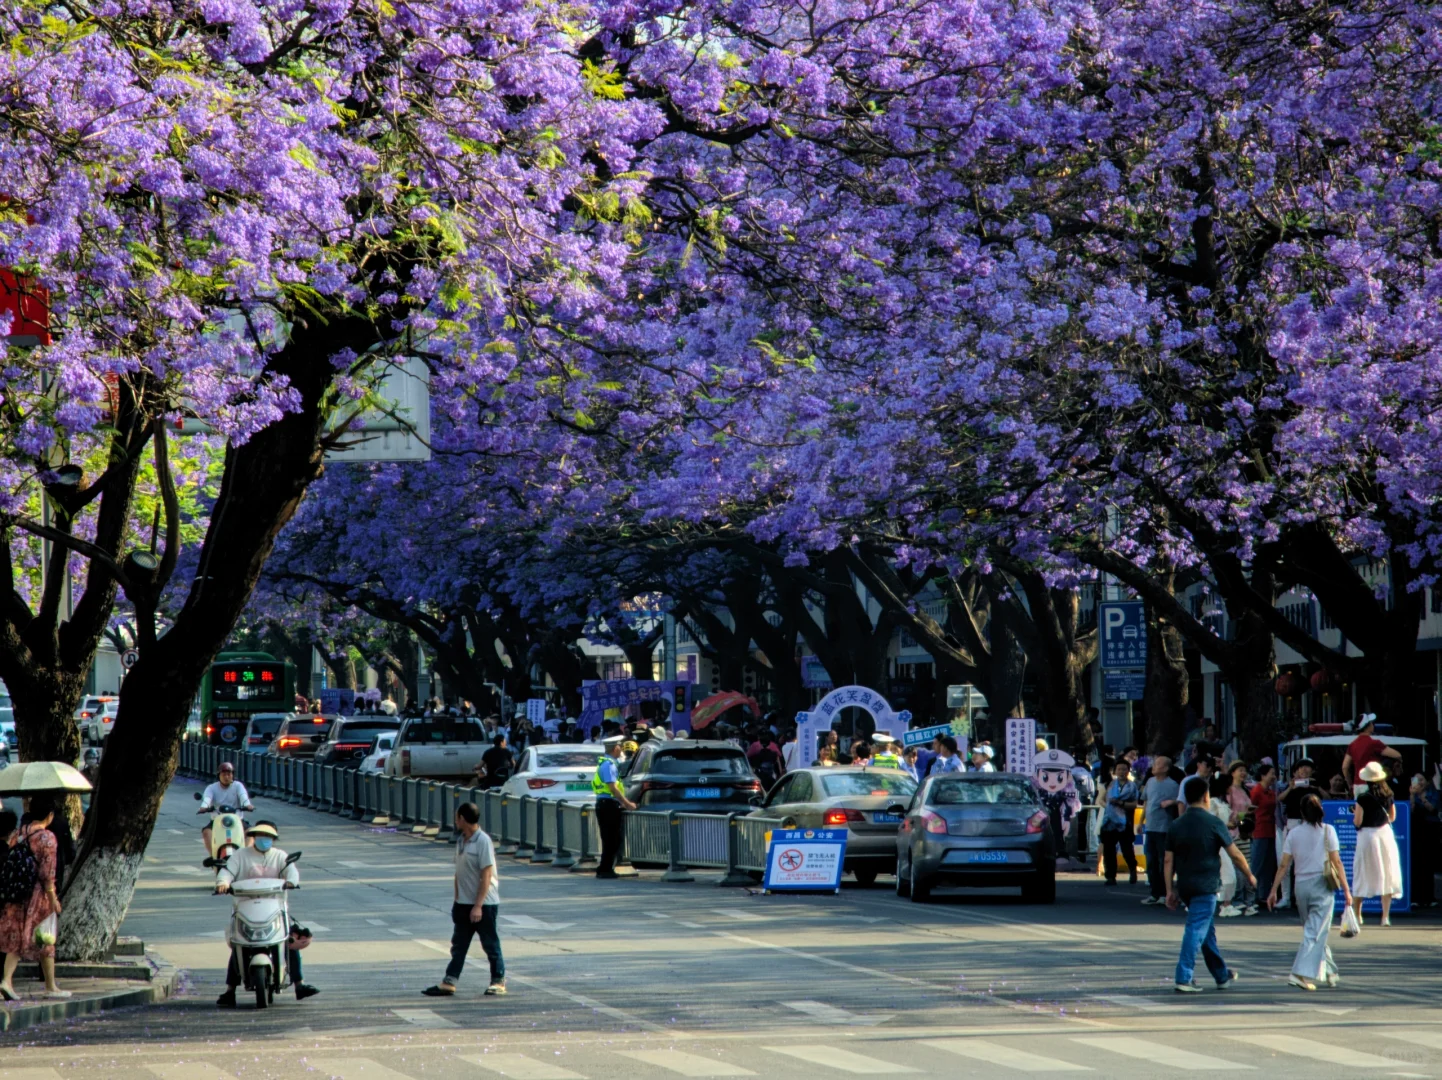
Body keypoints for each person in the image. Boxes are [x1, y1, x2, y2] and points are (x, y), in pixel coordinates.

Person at [1165, 776, 1256, 993]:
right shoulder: (1214, 823)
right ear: (1206, 796)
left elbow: (1168, 860)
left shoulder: (1176, 824)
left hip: (1185, 885)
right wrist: (1250, 875)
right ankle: (1184, 977)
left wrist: (1169, 890)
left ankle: (1221, 975)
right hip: (1206, 885)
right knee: (1196, 929)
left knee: (1206, 932)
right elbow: (1235, 855)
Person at [214, 821, 318, 1005]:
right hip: (245, 908)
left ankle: (299, 984)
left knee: (287, 942)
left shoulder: (280, 856)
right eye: (261, 836)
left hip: (274, 908)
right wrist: (223, 883)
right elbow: (227, 872)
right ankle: (230, 991)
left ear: (273, 839)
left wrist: (291, 881)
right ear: (254, 837)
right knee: (239, 943)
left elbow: (291, 872)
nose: (265, 839)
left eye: (269, 837)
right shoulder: (240, 855)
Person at [423, 802, 505, 997]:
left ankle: (498, 981)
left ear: (463, 819)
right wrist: (457, 900)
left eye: (457, 817)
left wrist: (478, 906)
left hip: (484, 904)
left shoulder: (483, 841)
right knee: (458, 946)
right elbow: (458, 873)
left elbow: (486, 875)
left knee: (490, 944)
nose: (455, 820)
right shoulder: (462, 840)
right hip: (463, 903)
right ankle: (449, 981)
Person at [1269, 793, 1349, 991]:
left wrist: (1273, 890)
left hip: (1301, 886)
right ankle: (1298, 973)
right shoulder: (1328, 830)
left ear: (1302, 813)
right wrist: (1347, 890)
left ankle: (1330, 971)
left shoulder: (1293, 833)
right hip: (1322, 884)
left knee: (1313, 930)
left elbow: (1284, 865)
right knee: (1316, 931)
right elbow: (1337, 862)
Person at [0, 795, 66, 1000]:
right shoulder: (47, 838)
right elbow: (47, 874)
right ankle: (49, 986)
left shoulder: (19, 834)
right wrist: (53, 899)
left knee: (17, 939)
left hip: (17, 893)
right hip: (38, 896)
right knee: (44, 938)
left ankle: (8, 981)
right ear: (50, 815)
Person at [1350, 761, 1403, 927]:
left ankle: (1358, 915)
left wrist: (1355, 815)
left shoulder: (1363, 797)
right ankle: (1385, 917)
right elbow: (1392, 817)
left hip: (1367, 836)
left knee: (1362, 873)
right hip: (1385, 835)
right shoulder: (1389, 794)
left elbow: (1358, 821)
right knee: (1387, 872)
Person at [592, 735, 635, 879]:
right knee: (611, 839)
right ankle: (605, 869)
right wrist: (627, 803)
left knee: (610, 838)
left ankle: (604, 868)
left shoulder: (606, 763)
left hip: (606, 805)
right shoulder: (609, 765)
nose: (621, 749)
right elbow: (613, 788)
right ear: (615, 748)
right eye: (619, 747)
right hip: (608, 805)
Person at [1140, 756, 1180, 905]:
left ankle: (1164, 892)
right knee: (1151, 861)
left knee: (1164, 861)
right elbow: (1146, 802)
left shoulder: (1173, 785)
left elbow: (1181, 801)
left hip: (1164, 828)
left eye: (1157, 764)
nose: (1153, 766)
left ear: (1165, 768)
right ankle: (1154, 893)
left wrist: (1171, 802)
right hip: (1150, 827)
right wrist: (1141, 821)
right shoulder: (1150, 782)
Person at [199, 762, 254, 855]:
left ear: (233, 775)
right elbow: (207, 798)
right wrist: (204, 807)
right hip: (217, 820)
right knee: (206, 832)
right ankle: (213, 855)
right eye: (223, 774)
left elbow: (243, 796)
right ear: (219, 775)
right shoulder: (212, 788)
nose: (226, 777)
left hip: (237, 819)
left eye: (229, 774)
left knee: (251, 832)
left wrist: (247, 805)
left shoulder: (238, 786)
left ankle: (245, 855)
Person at [1100, 760, 1140, 886]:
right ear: (1115, 771)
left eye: (1124, 769)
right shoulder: (1110, 784)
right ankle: (1110, 876)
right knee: (1109, 850)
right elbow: (1101, 799)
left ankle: (1132, 869)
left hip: (1125, 822)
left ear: (1128, 771)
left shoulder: (1132, 786)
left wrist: (1120, 803)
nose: (1122, 772)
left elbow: (1134, 804)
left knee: (1127, 849)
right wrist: (1109, 807)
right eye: (1119, 769)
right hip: (1109, 822)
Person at [1342, 714, 1402, 796]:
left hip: (1357, 786)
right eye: (1371, 723)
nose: (1373, 725)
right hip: (1372, 785)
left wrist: (1350, 785)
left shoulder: (1352, 745)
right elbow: (1397, 755)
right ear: (1367, 726)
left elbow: (1345, 767)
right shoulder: (1374, 743)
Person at [1247, 763, 1279, 914]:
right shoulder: (1256, 791)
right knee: (1257, 865)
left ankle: (1263, 896)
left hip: (1271, 831)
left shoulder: (1271, 792)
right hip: (1259, 830)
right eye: (1271, 773)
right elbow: (1249, 809)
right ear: (1263, 775)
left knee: (1268, 866)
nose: (1274, 776)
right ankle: (1250, 897)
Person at [1410, 772, 1440, 907]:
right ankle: (1415, 898)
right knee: (1416, 864)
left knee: (1428, 864)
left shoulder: (1433, 793)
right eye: (1416, 780)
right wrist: (1412, 795)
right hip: (1416, 831)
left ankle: (1429, 897)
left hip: (1429, 830)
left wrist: (1422, 798)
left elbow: (1432, 808)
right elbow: (1410, 810)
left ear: (1427, 782)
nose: (1419, 783)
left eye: (1421, 780)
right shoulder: (1412, 793)